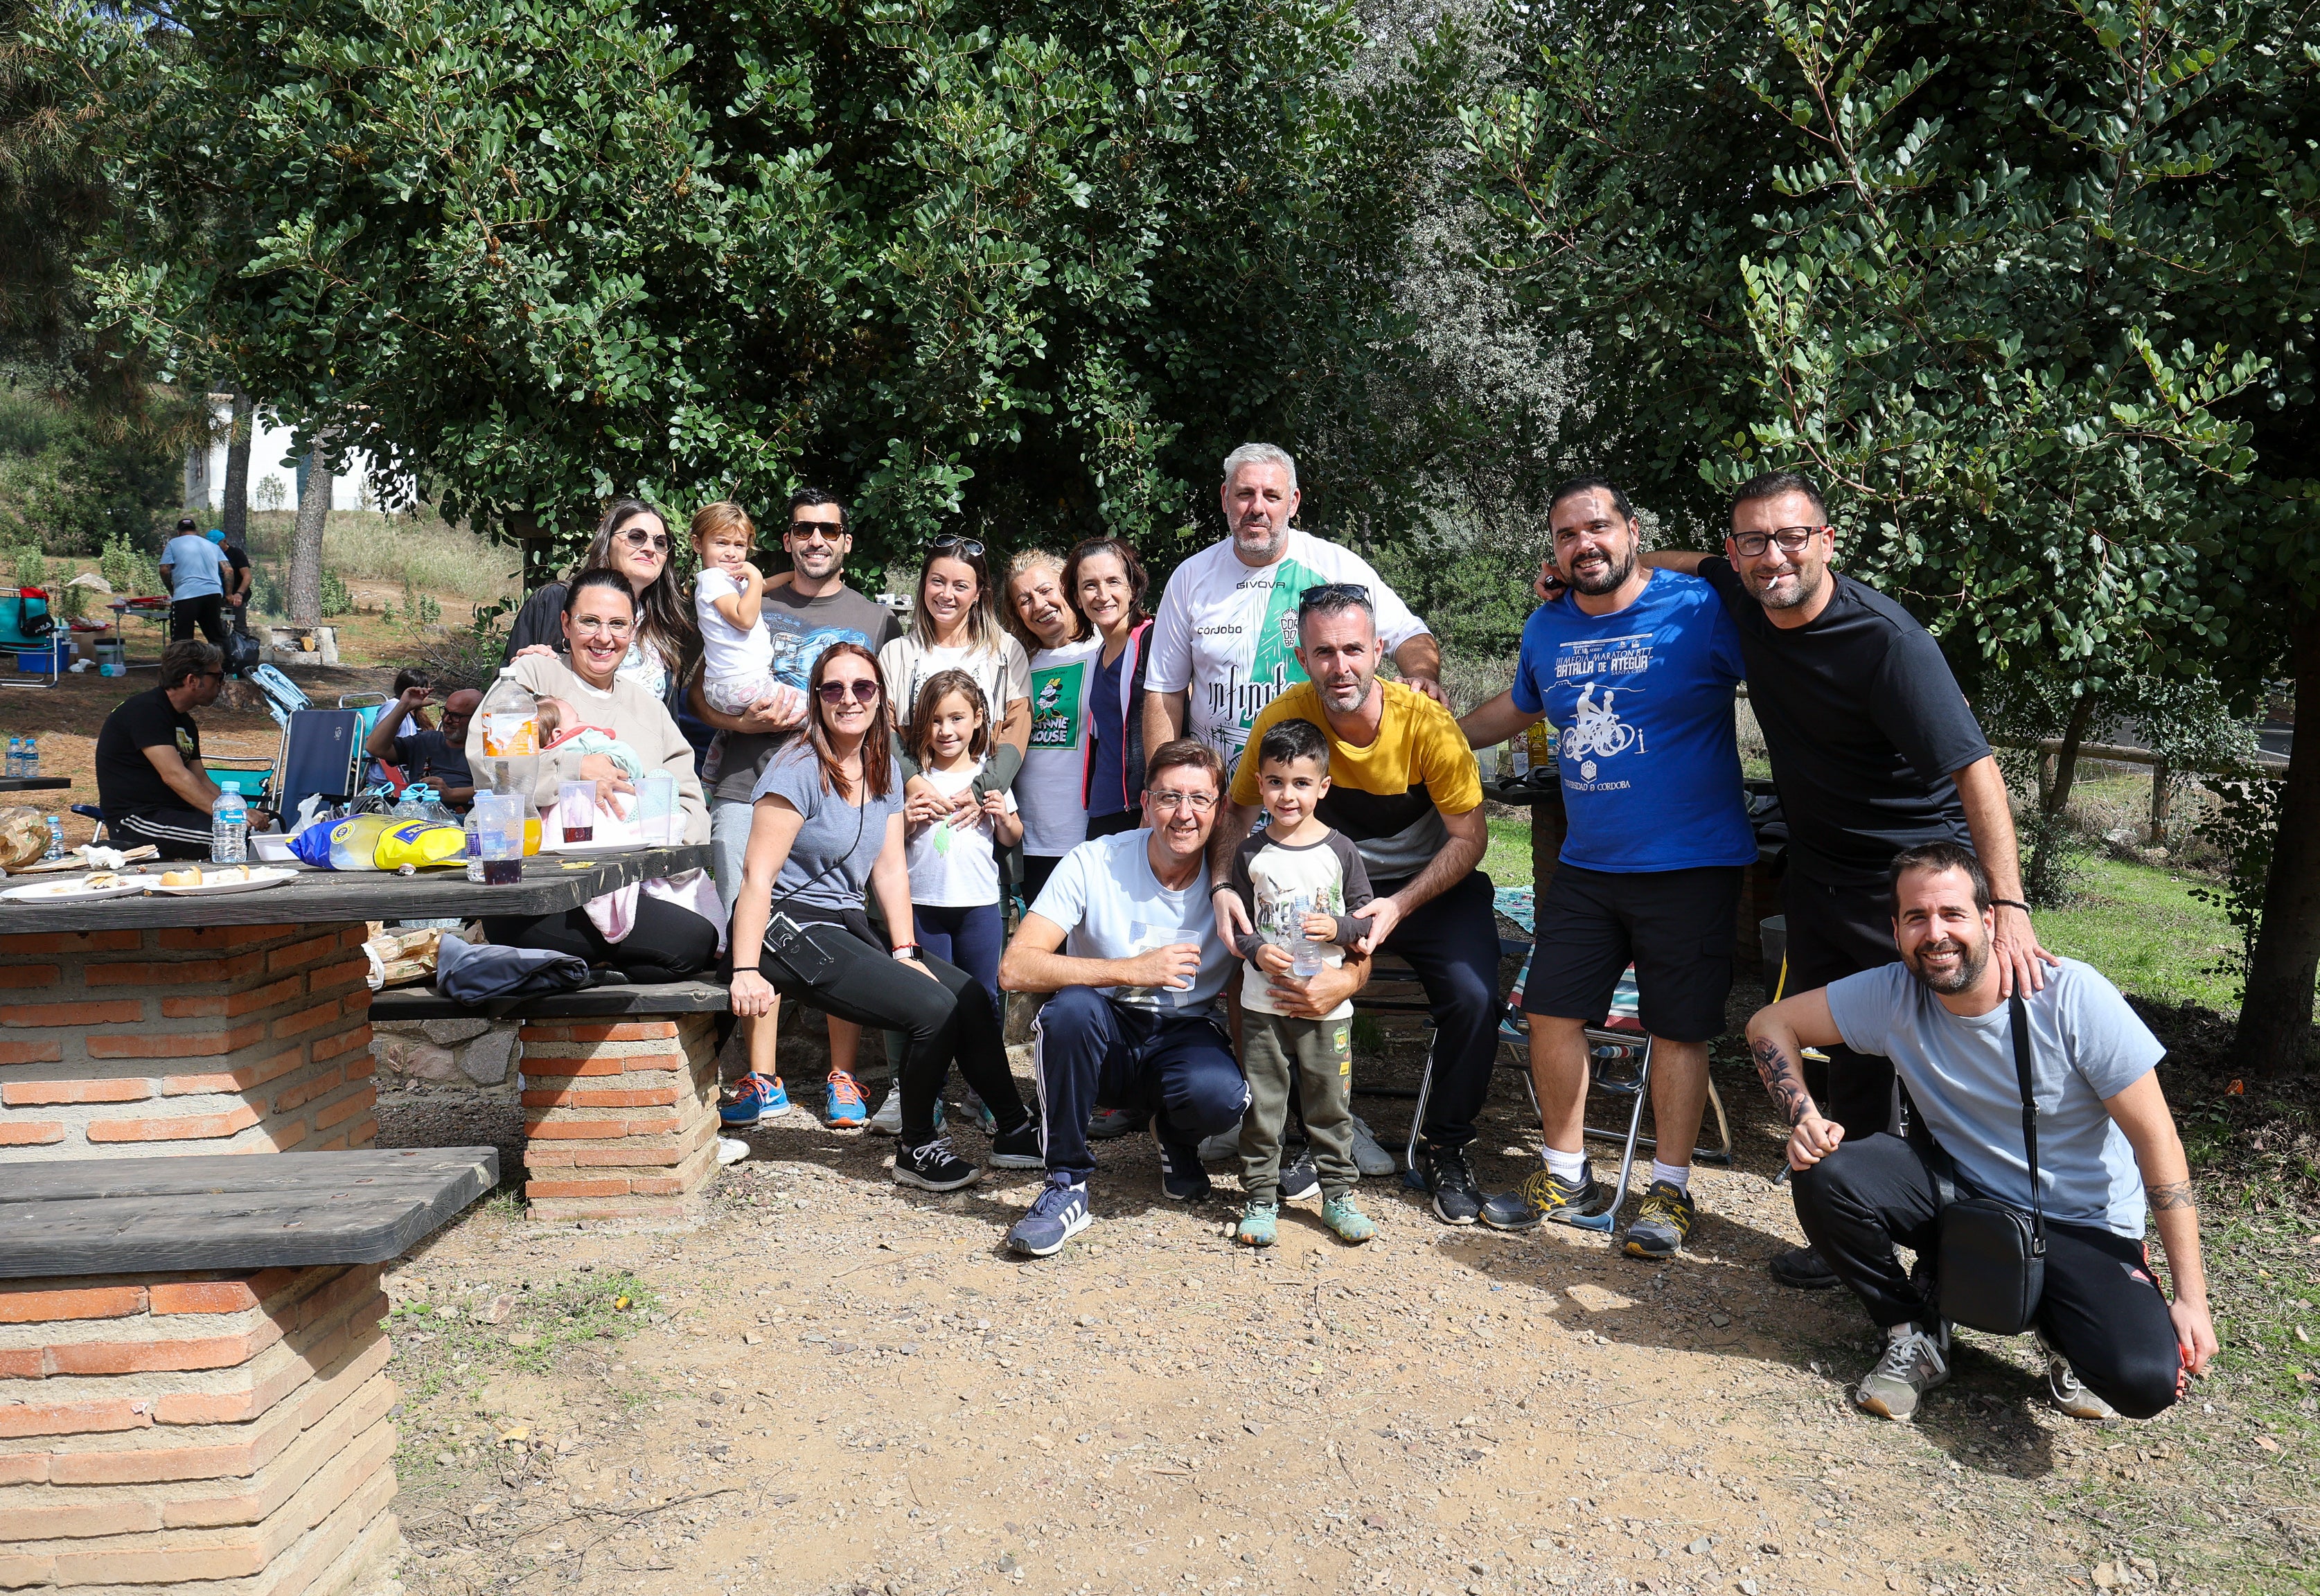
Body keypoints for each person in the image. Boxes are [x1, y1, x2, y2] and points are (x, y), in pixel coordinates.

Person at [1577, 470, 2057, 1290]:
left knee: (1939, 1062)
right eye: (1754, 542)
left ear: (1826, 542)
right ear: (1736, 550)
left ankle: (1977, 1254)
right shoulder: (1743, 593)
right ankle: (1852, 1235)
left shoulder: (1887, 643)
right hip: (1820, 873)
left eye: (1791, 537)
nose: (1773, 557)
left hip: (1911, 882)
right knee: (1846, 1058)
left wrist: (2005, 905)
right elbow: (1685, 562)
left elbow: (1976, 770)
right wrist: (1605, 567)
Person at [1746, 842, 2216, 1423]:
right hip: (1964, 1199)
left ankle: (2064, 1331)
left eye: (1952, 914)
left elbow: (2157, 1141)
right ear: (1895, 931)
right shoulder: (1892, 993)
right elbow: (1769, 1023)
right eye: (1916, 918)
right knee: (1825, 1168)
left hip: (2081, 1223)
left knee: (2143, 1384)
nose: (1935, 934)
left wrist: (2190, 1298)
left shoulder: (2071, 996)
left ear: (1989, 920)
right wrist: (1803, 1116)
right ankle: (1911, 1329)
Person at [1460, 479, 1755, 1259]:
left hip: (1691, 862)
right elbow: (1520, 706)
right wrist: (1437, 738)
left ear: (1632, 530)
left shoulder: (1698, 609)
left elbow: (1775, 652)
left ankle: (1670, 1188)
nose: (1583, 544)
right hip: (1588, 865)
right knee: (1549, 1012)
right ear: (1552, 551)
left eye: (1598, 527)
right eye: (1566, 535)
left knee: (1677, 1028)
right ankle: (1566, 1176)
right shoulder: (1547, 625)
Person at [1212, 583, 1498, 1224]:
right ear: (1301, 657)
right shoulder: (1285, 716)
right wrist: (1223, 887)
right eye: (1322, 652)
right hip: (1321, 890)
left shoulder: (1426, 724)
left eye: (1351, 650)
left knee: (1476, 997)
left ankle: (1447, 1145)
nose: (1338, 666)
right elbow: (1237, 810)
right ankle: (1293, 1132)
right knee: (1264, 980)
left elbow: (1470, 838)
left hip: (1427, 887)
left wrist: (1398, 905)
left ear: (1378, 650)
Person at [726, 641, 1041, 1191]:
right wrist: (746, 969)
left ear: (879, 698)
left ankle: (1014, 1129)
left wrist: (905, 951)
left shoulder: (883, 769)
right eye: (833, 688)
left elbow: (891, 870)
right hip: (787, 925)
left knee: (967, 995)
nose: (848, 698)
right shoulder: (796, 766)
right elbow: (756, 877)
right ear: (817, 698)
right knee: (931, 1009)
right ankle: (917, 1146)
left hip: (845, 920)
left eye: (862, 687)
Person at [693, 488, 903, 1129]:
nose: (816, 539)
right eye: (804, 529)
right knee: (750, 924)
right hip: (747, 783)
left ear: (846, 541)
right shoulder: (748, 592)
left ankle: (843, 1076)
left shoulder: (874, 618)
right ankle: (763, 1079)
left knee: (842, 923)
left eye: (828, 530)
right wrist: (739, 720)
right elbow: (700, 693)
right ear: (786, 540)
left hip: (840, 794)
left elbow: (885, 711)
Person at [997, 740, 1256, 1257]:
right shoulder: (1095, 860)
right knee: (1070, 1011)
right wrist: (1129, 970)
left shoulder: (1239, 879)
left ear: (1220, 808)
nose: (1184, 814)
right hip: (1105, 1029)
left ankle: (1176, 1137)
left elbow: (1245, 988)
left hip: (1184, 1032)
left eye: (1199, 799)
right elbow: (1015, 967)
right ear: (1145, 802)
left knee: (1222, 1095)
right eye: (1169, 797)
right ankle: (1066, 1184)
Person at [470, 571, 718, 982]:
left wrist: (669, 855)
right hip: (540, 892)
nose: (604, 637)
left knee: (707, 943)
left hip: (632, 888)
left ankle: (576, 974)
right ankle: (574, 969)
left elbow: (689, 798)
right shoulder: (534, 678)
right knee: (692, 943)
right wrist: (575, 770)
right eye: (590, 622)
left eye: (618, 624)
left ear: (632, 632)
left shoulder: (648, 708)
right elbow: (490, 764)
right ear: (566, 625)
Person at [1144, 443, 1444, 778]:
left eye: (1272, 496)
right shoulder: (1190, 577)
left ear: (1293, 503)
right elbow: (1164, 692)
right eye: (1245, 494)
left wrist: (1422, 679)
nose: (1257, 508)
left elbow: (1410, 635)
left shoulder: (1336, 567)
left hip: (1314, 791)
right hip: (1218, 789)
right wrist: (1161, 786)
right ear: (1225, 497)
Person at [1219, 717, 1379, 1248]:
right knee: (1263, 1107)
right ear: (1259, 783)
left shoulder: (1340, 851)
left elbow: (1364, 920)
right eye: (1275, 782)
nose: (1287, 795)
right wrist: (1255, 950)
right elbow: (1239, 928)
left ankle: (1337, 1195)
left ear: (1323, 786)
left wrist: (1337, 928)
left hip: (1326, 1010)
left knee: (1329, 1106)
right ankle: (1260, 1198)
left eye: (1301, 783)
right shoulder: (1249, 853)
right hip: (1262, 1006)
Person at [889, 672, 1019, 1112]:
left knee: (983, 998)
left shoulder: (989, 776)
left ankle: (984, 1092)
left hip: (979, 907)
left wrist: (1003, 816)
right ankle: (930, 1094)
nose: (946, 731)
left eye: (957, 718)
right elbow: (892, 841)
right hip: (923, 908)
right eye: (935, 720)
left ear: (978, 719)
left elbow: (1012, 836)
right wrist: (907, 820)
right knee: (931, 1002)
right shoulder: (913, 779)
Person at [507, 498, 700, 729]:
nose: (650, 549)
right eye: (636, 537)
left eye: (660, 542)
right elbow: (507, 701)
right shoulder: (557, 600)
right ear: (607, 542)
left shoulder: (664, 622)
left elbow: (667, 721)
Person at [880, 535, 1031, 795]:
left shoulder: (1006, 652)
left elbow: (1017, 728)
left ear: (978, 593)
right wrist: (915, 785)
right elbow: (885, 727)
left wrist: (982, 790)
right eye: (937, 581)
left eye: (960, 586)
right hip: (914, 804)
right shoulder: (896, 653)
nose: (946, 594)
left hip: (985, 804)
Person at [94, 639, 274, 856]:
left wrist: (239, 811)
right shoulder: (145, 712)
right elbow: (175, 776)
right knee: (231, 837)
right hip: (138, 821)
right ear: (192, 680)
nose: (222, 684)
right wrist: (233, 817)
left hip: (176, 815)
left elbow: (201, 779)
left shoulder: (184, 721)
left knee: (263, 825)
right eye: (218, 676)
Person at [1005, 549, 1099, 901]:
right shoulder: (1016, 664)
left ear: (1069, 588)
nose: (1039, 605)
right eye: (1025, 600)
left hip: (1090, 833)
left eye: (1046, 590)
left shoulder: (1104, 649)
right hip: (1032, 838)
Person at [690, 501, 800, 721]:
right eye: (721, 543)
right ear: (698, 544)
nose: (731, 553)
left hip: (734, 684)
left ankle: (721, 746)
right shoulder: (713, 579)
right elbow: (745, 619)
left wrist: (797, 576)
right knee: (810, 710)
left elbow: (764, 586)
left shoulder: (727, 579)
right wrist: (755, 576)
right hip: (741, 682)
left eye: (739, 545)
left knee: (783, 720)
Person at [362, 681, 479, 806]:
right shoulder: (428, 741)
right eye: (445, 712)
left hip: (467, 815)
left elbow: (492, 790)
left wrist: (452, 794)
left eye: (456, 716)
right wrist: (404, 707)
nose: (446, 720)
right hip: (419, 812)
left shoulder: (487, 751)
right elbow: (374, 748)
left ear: (476, 718)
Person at [159, 517, 229, 646]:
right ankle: (226, 659)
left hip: (186, 594)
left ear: (178, 532)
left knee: (182, 640)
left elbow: (164, 570)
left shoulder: (173, 544)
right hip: (213, 594)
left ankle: (184, 659)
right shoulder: (212, 545)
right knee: (217, 637)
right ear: (196, 530)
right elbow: (228, 570)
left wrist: (171, 590)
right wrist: (228, 594)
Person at [217, 527, 253, 635]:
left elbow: (247, 576)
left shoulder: (236, 553)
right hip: (218, 596)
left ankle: (241, 643)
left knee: (239, 627)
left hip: (237, 595)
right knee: (219, 628)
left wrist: (239, 593)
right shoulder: (209, 554)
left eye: (217, 545)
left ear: (224, 541)